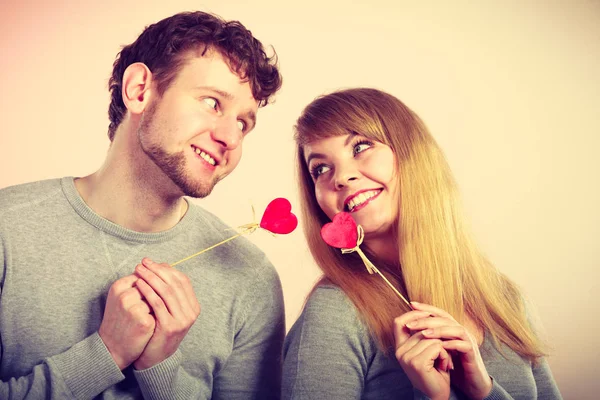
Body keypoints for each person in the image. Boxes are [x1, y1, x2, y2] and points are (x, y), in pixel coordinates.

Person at [0, 11, 284, 399]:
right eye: (213, 103)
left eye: (243, 124)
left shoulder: (250, 278)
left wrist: (161, 369)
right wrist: (105, 354)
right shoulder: (7, 228)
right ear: (139, 91)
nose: (231, 138)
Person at [282, 88, 562, 399]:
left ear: (412, 153)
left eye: (361, 146)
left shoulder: (506, 300)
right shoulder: (335, 313)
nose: (341, 177)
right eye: (320, 168)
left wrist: (484, 392)